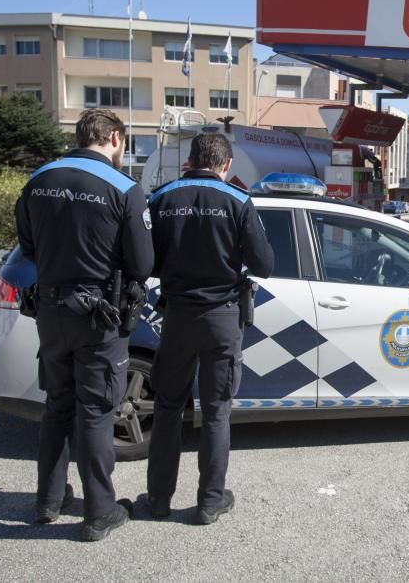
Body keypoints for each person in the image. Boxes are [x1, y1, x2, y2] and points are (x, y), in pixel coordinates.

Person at [15, 108, 153, 541]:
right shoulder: (123, 187)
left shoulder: (38, 180)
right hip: (99, 316)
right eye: (124, 142)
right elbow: (143, 263)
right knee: (96, 411)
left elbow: (28, 246)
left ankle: (48, 501)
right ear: (114, 136)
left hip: (51, 311)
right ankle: (99, 512)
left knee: (57, 404)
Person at [146, 132, 274, 525]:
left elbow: (146, 261)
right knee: (216, 410)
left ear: (190, 160)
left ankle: (158, 500)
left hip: (177, 317)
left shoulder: (162, 197)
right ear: (226, 164)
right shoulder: (237, 200)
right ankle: (209, 502)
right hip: (222, 316)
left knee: (168, 408)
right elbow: (264, 264)